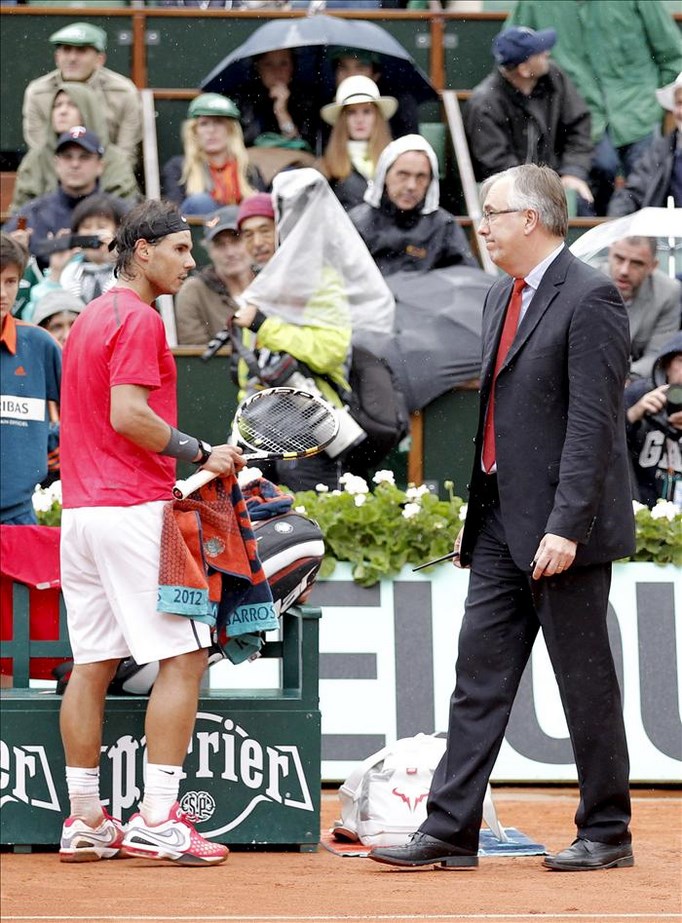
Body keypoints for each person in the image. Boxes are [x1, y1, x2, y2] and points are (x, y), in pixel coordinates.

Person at [368, 164, 636, 873]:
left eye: (492, 212)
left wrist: (568, 524)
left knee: (585, 682)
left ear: (533, 219)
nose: (480, 225)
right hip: (497, 526)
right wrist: (473, 510)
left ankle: (607, 830)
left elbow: (593, 424)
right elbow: (494, 418)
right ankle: (449, 831)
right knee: (477, 678)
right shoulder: (499, 295)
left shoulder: (593, 295)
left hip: (561, 531)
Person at [57, 199, 244, 865]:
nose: (191, 262)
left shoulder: (85, 320)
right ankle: (159, 817)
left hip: (79, 517)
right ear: (143, 251)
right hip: (129, 514)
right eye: (180, 250)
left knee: (93, 663)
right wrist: (202, 451)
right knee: (185, 656)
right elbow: (128, 415)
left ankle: (85, 820)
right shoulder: (137, 319)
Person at [234, 174, 395, 490]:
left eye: (265, 230)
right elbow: (247, 374)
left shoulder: (322, 278)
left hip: (311, 425)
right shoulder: (257, 289)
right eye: (247, 234)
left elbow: (330, 351)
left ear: (284, 228)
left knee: (311, 526)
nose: (257, 242)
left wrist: (265, 326)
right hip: (258, 429)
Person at [506, 1, 682, 213]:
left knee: (648, 201)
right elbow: (512, 60)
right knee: (582, 201)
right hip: (578, 123)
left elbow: (673, 55)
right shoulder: (533, 4)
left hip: (641, 116)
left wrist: (657, 102)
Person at [465, 26, 593, 214]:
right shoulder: (484, 104)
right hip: (511, 197)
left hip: (555, 181)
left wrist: (573, 171)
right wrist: (544, 193)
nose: (547, 54)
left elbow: (579, 127)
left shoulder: (555, 78)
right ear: (524, 69)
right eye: (539, 53)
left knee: (583, 202)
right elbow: (499, 167)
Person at [349, 134, 477, 276]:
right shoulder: (357, 223)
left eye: (421, 177)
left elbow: (466, 277)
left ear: (430, 181)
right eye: (403, 175)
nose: (411, 186)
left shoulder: (443, 226)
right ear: (384, 175)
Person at [0, 234, 61, 525]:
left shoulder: (39, 344)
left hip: (20, 515)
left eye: (10, 282)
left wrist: (49, 446)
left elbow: (84, 412)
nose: (2, 293)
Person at [3, 127, 130, 268]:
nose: (75, 164)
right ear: (56, 164)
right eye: (67, 156)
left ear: (100, 166)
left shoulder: (122, 213)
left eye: (84, 157)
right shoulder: (32, 214)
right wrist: (18, 251)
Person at [22, 21, 141, 168]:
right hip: (52, 179)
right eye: (66, 50)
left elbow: (126, 155)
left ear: (100, 59)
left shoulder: (123, 91)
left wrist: (93, 182)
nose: (72, 58)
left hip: (108, 177)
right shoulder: (38, 92)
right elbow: (40, 153)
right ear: (57, 57)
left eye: (81, 51)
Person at [11, 83, 139, 213]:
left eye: (72, 105)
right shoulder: (36, 159)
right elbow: (20, 215)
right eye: (57, 105)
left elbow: (125, 212)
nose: (63, 111)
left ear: (88, 111)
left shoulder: (115, 159)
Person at [161, 94, 263, 216]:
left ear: (231, 130)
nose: (211, 130)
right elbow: (173, 215)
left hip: (239, 231)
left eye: (219, 122)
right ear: (194, 131)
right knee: (201, 202)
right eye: (204, 124)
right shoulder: (178, 168)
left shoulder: (249, 169)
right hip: (198, 232)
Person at [174, 205, 253, 345]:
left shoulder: (268, 283)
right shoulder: (194, 290)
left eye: (236, 241)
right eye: (220, 245)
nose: (230, 252)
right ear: (209, 250)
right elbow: (196, 355)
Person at [606, 236, 681, 381]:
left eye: (636, 263)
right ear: (610, 254)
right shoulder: (586, 281)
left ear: (653, 266)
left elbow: (658, 355)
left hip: (633, 379)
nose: (624, 271)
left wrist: (624, 377)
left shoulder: (668, 292)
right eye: (619, 258)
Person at [608, 72, 682, 216]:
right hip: (666, 234)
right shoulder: (662, 149)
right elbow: (632, 192)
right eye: (680, 103)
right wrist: (616, 223)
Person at [318, 75, 395, 211]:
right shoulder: (326, 167)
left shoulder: (395, 158)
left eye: (367, 111)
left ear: (377, 117)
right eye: (351, 112)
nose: (360, 120)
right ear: (342, 120)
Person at [625, 333, 682, 509]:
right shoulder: (638, 395)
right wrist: (633, 415)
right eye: (681, 361)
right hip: (638, 514)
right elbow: (602, 445)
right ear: (666, 365)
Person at [234, 49, 318, 151]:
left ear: (293, 67)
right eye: (268, 64)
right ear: (258, 68)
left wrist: (281, 112)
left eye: (284, 63)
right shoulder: (242, 101)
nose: (277, 71)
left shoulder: (308, 101)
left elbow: (305, 148)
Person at [329, 46, 419, 139]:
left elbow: (410, 146)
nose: (351, 74)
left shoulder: (401, 104)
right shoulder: (321, 106)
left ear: (375, 75)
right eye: (344, 68)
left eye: (360, 68)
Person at [59, 195, 126, 304]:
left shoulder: (128, 270)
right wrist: (57, 271)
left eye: (102, 227)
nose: (93, 233)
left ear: (118, 231)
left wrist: (116, 254)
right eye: (86, 227)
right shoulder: (69, 271)